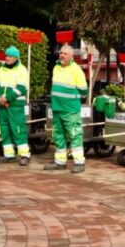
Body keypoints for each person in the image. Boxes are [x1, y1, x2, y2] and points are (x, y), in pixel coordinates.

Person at [46, 44, 88, 173]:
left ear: (71, 56)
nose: (61, 55)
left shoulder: (76, 70)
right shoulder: (56, 68)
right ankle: (60, 161)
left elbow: (84, 92)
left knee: (75, 135)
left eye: (64, 53)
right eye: (60, 53)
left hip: (70, 110)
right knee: (58, 136)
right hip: (57, 109)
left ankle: (79, 163)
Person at [0, 46, 31, 166]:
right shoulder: (1, 69)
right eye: (6, 56)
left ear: (16, 58)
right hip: (3, 105)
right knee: (4, 130)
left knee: (18, 130)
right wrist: (0, 98)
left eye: (10, 56)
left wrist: (6, 98)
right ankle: (9, 155)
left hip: (15, 106)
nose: (7, 58)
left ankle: (25, 155)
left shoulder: (22, 70)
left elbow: (21, 88)